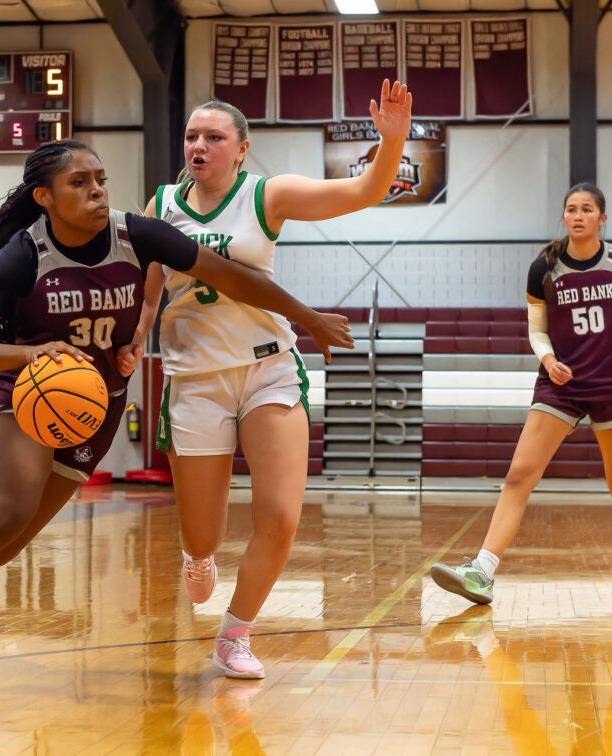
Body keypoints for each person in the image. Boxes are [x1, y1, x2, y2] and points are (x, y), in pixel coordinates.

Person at [0, 139, 352, 689]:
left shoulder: (136, 235)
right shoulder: (23, 255)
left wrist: (307, 316)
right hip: (26, 392)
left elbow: (228, 275)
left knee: (9, 544)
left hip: (96, 408)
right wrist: (28, 354)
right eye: (79, 183)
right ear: (45, 196)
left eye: (100, 180)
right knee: (5, 508)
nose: (96, 191)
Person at [120, 80, 412, 678]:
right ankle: (197, 558)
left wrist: (393, 141)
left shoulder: (266, 196)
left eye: (214, 137)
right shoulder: (161, 205)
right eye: (192, 136)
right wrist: (133, 341)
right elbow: (149, 293)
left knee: (279, 518)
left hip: (267, 367)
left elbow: (363, 190)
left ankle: (235, 634)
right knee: (205, 536)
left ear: (242, 148)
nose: (199, 146)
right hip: (194, 378)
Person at [430, 183, 612, 604]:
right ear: (564, 217)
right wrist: (548, 357)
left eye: (587, 209)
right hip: (561, 383)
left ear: (601, 219)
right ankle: (482, 570)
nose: (577, 215)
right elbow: (536, 329)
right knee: (520, 474)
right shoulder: (544, 267)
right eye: (571, 209)